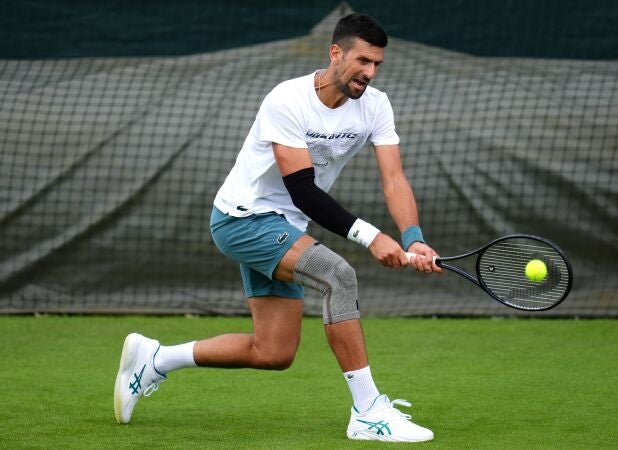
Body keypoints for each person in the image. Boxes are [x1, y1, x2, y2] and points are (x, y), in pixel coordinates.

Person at [114, 12, 441, 442]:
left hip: (285, 226)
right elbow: (303, 190)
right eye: (363, 60)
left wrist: (412, 237)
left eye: (377, 64)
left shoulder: (376, 106)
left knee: (273, 351)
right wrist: (371, 236)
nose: (369, 72)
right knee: (338, 276)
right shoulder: (287, 100)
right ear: (336, 52)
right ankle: (367, 411)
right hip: (243, 218)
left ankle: (155, 359)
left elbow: (394, 179)